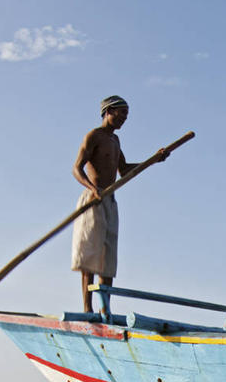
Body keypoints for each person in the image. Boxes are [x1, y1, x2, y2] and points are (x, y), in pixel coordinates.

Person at [71, 95, 169, 312]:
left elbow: (124, 170)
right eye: (122, 113)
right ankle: (87, 309)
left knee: (107, 258)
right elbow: (76, 168)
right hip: (93, 200)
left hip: (110, 201)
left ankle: (105, 309)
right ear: (108, 112)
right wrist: (91, 188)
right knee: (90, 256)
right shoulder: (93, 136)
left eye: (127, 114)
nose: (125, 118)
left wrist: (153, 160)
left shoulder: (115, 141)